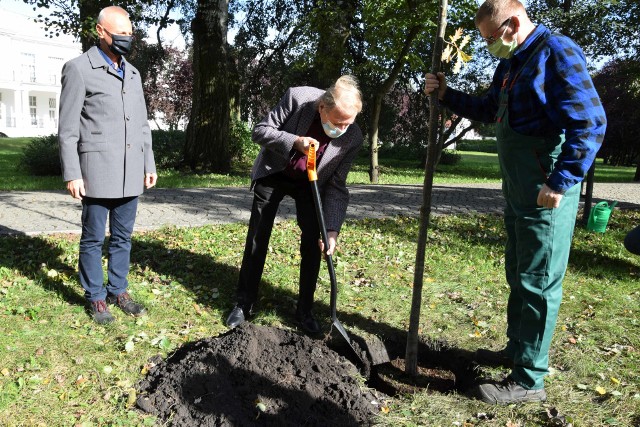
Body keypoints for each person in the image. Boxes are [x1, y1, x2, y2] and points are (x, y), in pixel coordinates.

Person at [425, 0, 606, 404]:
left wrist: (561, 181)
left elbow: (591, 121)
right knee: (519, 271)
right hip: (519, 191)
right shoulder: (511, 63)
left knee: (538, 281)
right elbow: (489, 109)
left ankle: (528, 380)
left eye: (491, 37)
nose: (489, 45)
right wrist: (446, 94)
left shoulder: (557, 52)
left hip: (546, 192)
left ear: (513, 23)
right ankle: (516, 350)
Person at [226, 76, 364, 334]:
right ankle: (244, 303)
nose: (342, 129)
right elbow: (261, 130)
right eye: (337, 122)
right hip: (276, 170)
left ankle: (305, 311)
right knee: (258, 236)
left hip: (311, 184)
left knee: (315, 242)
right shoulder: (298, 98)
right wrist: (294, 142)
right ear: (322, 107)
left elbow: (336, 184)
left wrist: (332, 229)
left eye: (348, 123)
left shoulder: (353, 137)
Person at [58, 6, 157, 324]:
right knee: (92, 238)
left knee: (123, 237)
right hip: (96, 171)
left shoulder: (133, 72)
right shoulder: (78, 69)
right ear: (101, 32)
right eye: (120, 34)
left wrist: (148, 163)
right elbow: (68, 128)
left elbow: (142, 123)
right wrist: (72, 172)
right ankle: (96, 297)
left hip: (131, 171)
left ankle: (118, 290)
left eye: (130, 34)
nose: (126, 39)